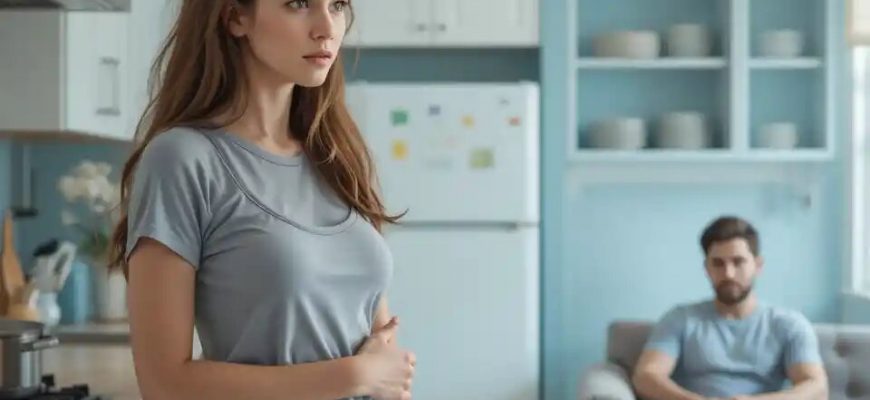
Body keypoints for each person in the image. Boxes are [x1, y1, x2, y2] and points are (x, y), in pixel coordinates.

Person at [108, 1, 415, 399]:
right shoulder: (181, 160)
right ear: (236, 17)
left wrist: (378, 379)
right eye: (298, 4)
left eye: (337, 5)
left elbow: (383, 360)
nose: (327, 28)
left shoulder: (335, 158)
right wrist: (353, 376)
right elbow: (164, 384)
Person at [632, 216, 828, 400]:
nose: (728, 274)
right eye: (718, 264)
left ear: (757, 265)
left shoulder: (788, 324)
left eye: (738, 262)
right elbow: (646, 376)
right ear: (707, 268)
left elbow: (817, 388)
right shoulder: (680, 319)